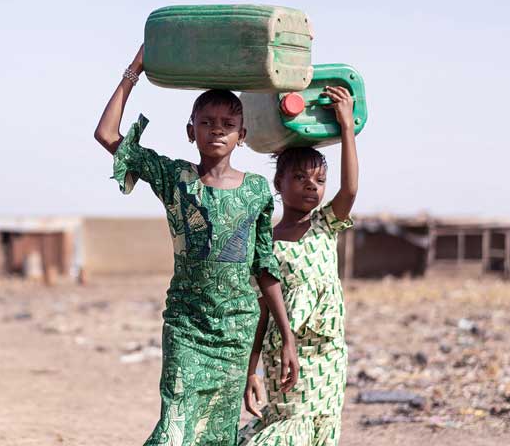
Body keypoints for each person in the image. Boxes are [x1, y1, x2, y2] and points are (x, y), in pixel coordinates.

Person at [94, 44, 298, 446]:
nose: (217, 129)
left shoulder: (257, 190)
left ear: (243, 135)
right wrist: (134, 70)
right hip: (186, 327)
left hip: (235, 333)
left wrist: (286, 336)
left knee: (215, 437)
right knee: (174, 430)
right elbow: (107, 135)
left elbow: (264, 267)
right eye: (206, 122)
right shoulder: (175, 178)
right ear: (191, 131)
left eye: (227, 123)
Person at [238, 84, 359, 446]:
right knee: (289, 428)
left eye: (320, 180)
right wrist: (252, 369)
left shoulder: (325, 224)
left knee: (321, 429)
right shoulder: (266, 242)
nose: (312, 186)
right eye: (300, 178)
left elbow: (350, 191)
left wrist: (347, 128)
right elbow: (263, 309)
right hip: (287, 353)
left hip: (330, 353)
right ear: (279, 183)